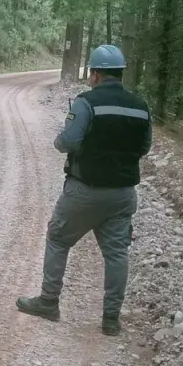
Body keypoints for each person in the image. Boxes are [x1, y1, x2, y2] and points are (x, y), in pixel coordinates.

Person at [16, 44, 152, 337]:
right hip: (123, 193)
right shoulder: (141, 106)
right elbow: (144, 148)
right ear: (121, 72)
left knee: (57, 237)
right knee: (117, 254)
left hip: (85, 189)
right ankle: (111, 319)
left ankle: (49, 301)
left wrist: (60, 141)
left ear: (95, 74)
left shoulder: (86, 102)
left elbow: (71, 141)